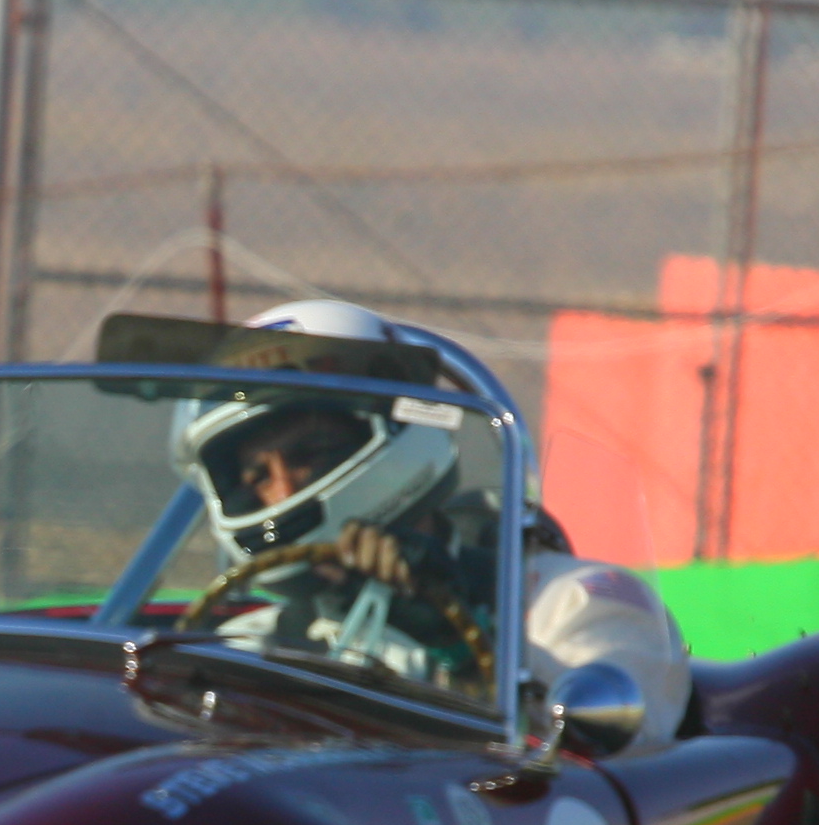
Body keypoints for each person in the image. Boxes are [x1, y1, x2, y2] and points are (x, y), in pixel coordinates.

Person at [181, 299, 690, 738]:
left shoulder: (571, 603)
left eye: (307, 453)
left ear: (396, 424)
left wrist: (459, 651)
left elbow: (618, 757)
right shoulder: (253, 645)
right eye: (257, 477)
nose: (283, 490)